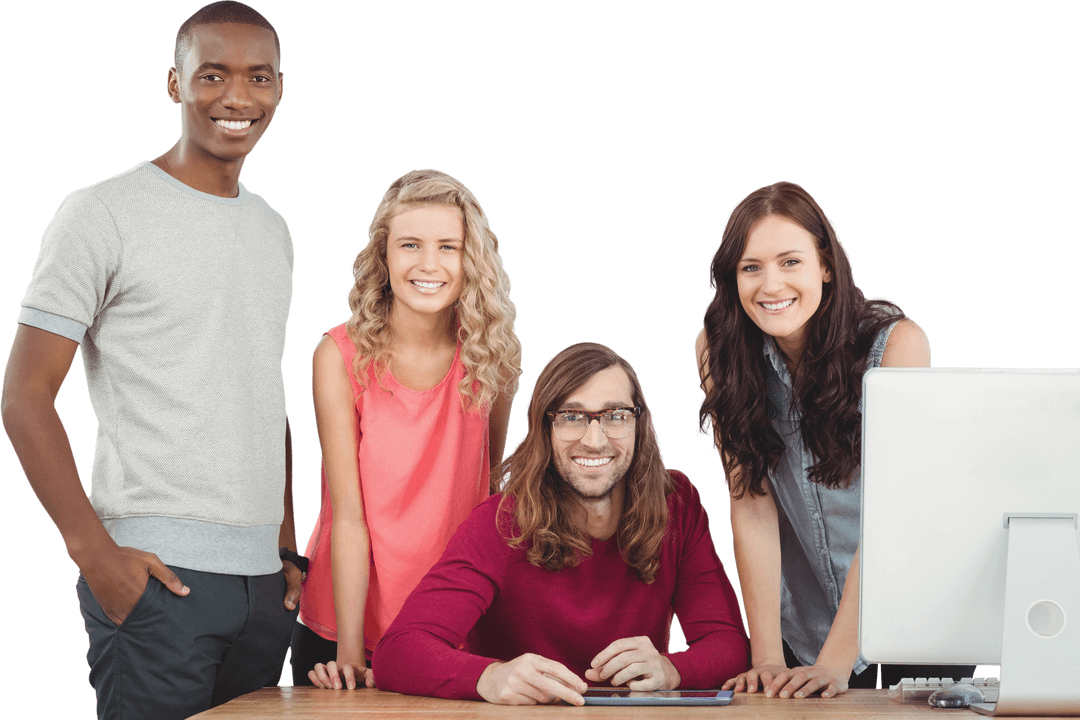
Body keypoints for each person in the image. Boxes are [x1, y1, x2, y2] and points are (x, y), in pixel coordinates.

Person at [1, 3, 298, 719]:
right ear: (174, 83)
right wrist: (95, 557)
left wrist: (289, 552)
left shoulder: (273, 228)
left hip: (265, 588)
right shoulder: (100, 213)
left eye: (258, 77)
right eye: (213, 75)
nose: (238, 97)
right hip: (158, 580)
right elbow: (23, 394)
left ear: (279, 89)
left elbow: (264, 393)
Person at [694, 181, 965, 701]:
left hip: (916, 629)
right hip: (806, 632)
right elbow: (751, 503)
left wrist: (838, 663)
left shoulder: (898, 344)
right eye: (751, 267)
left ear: (825, 265)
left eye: (790, 261)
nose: (770, 285)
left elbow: (894, 512)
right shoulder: (718, 349)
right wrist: (768, 658)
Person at [374, 342, 750, 705]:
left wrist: (672, 670)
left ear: (640, 424)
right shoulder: (500, 523)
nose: (595, 439)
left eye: (616, 415)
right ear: (545, 430)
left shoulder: (678, 504)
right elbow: (398, 651)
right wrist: (489, 677)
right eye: (571, 417)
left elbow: (728, 645)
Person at [290, 169, 522, 691]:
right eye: (410, 245)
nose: (429, 264)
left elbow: (485, 496)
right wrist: (349, 652)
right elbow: (346, 514)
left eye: (448, 246)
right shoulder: (339, 356)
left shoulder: (494, 357)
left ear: (471, 261)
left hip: (451, 625)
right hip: (345, 627)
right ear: (384, 257)